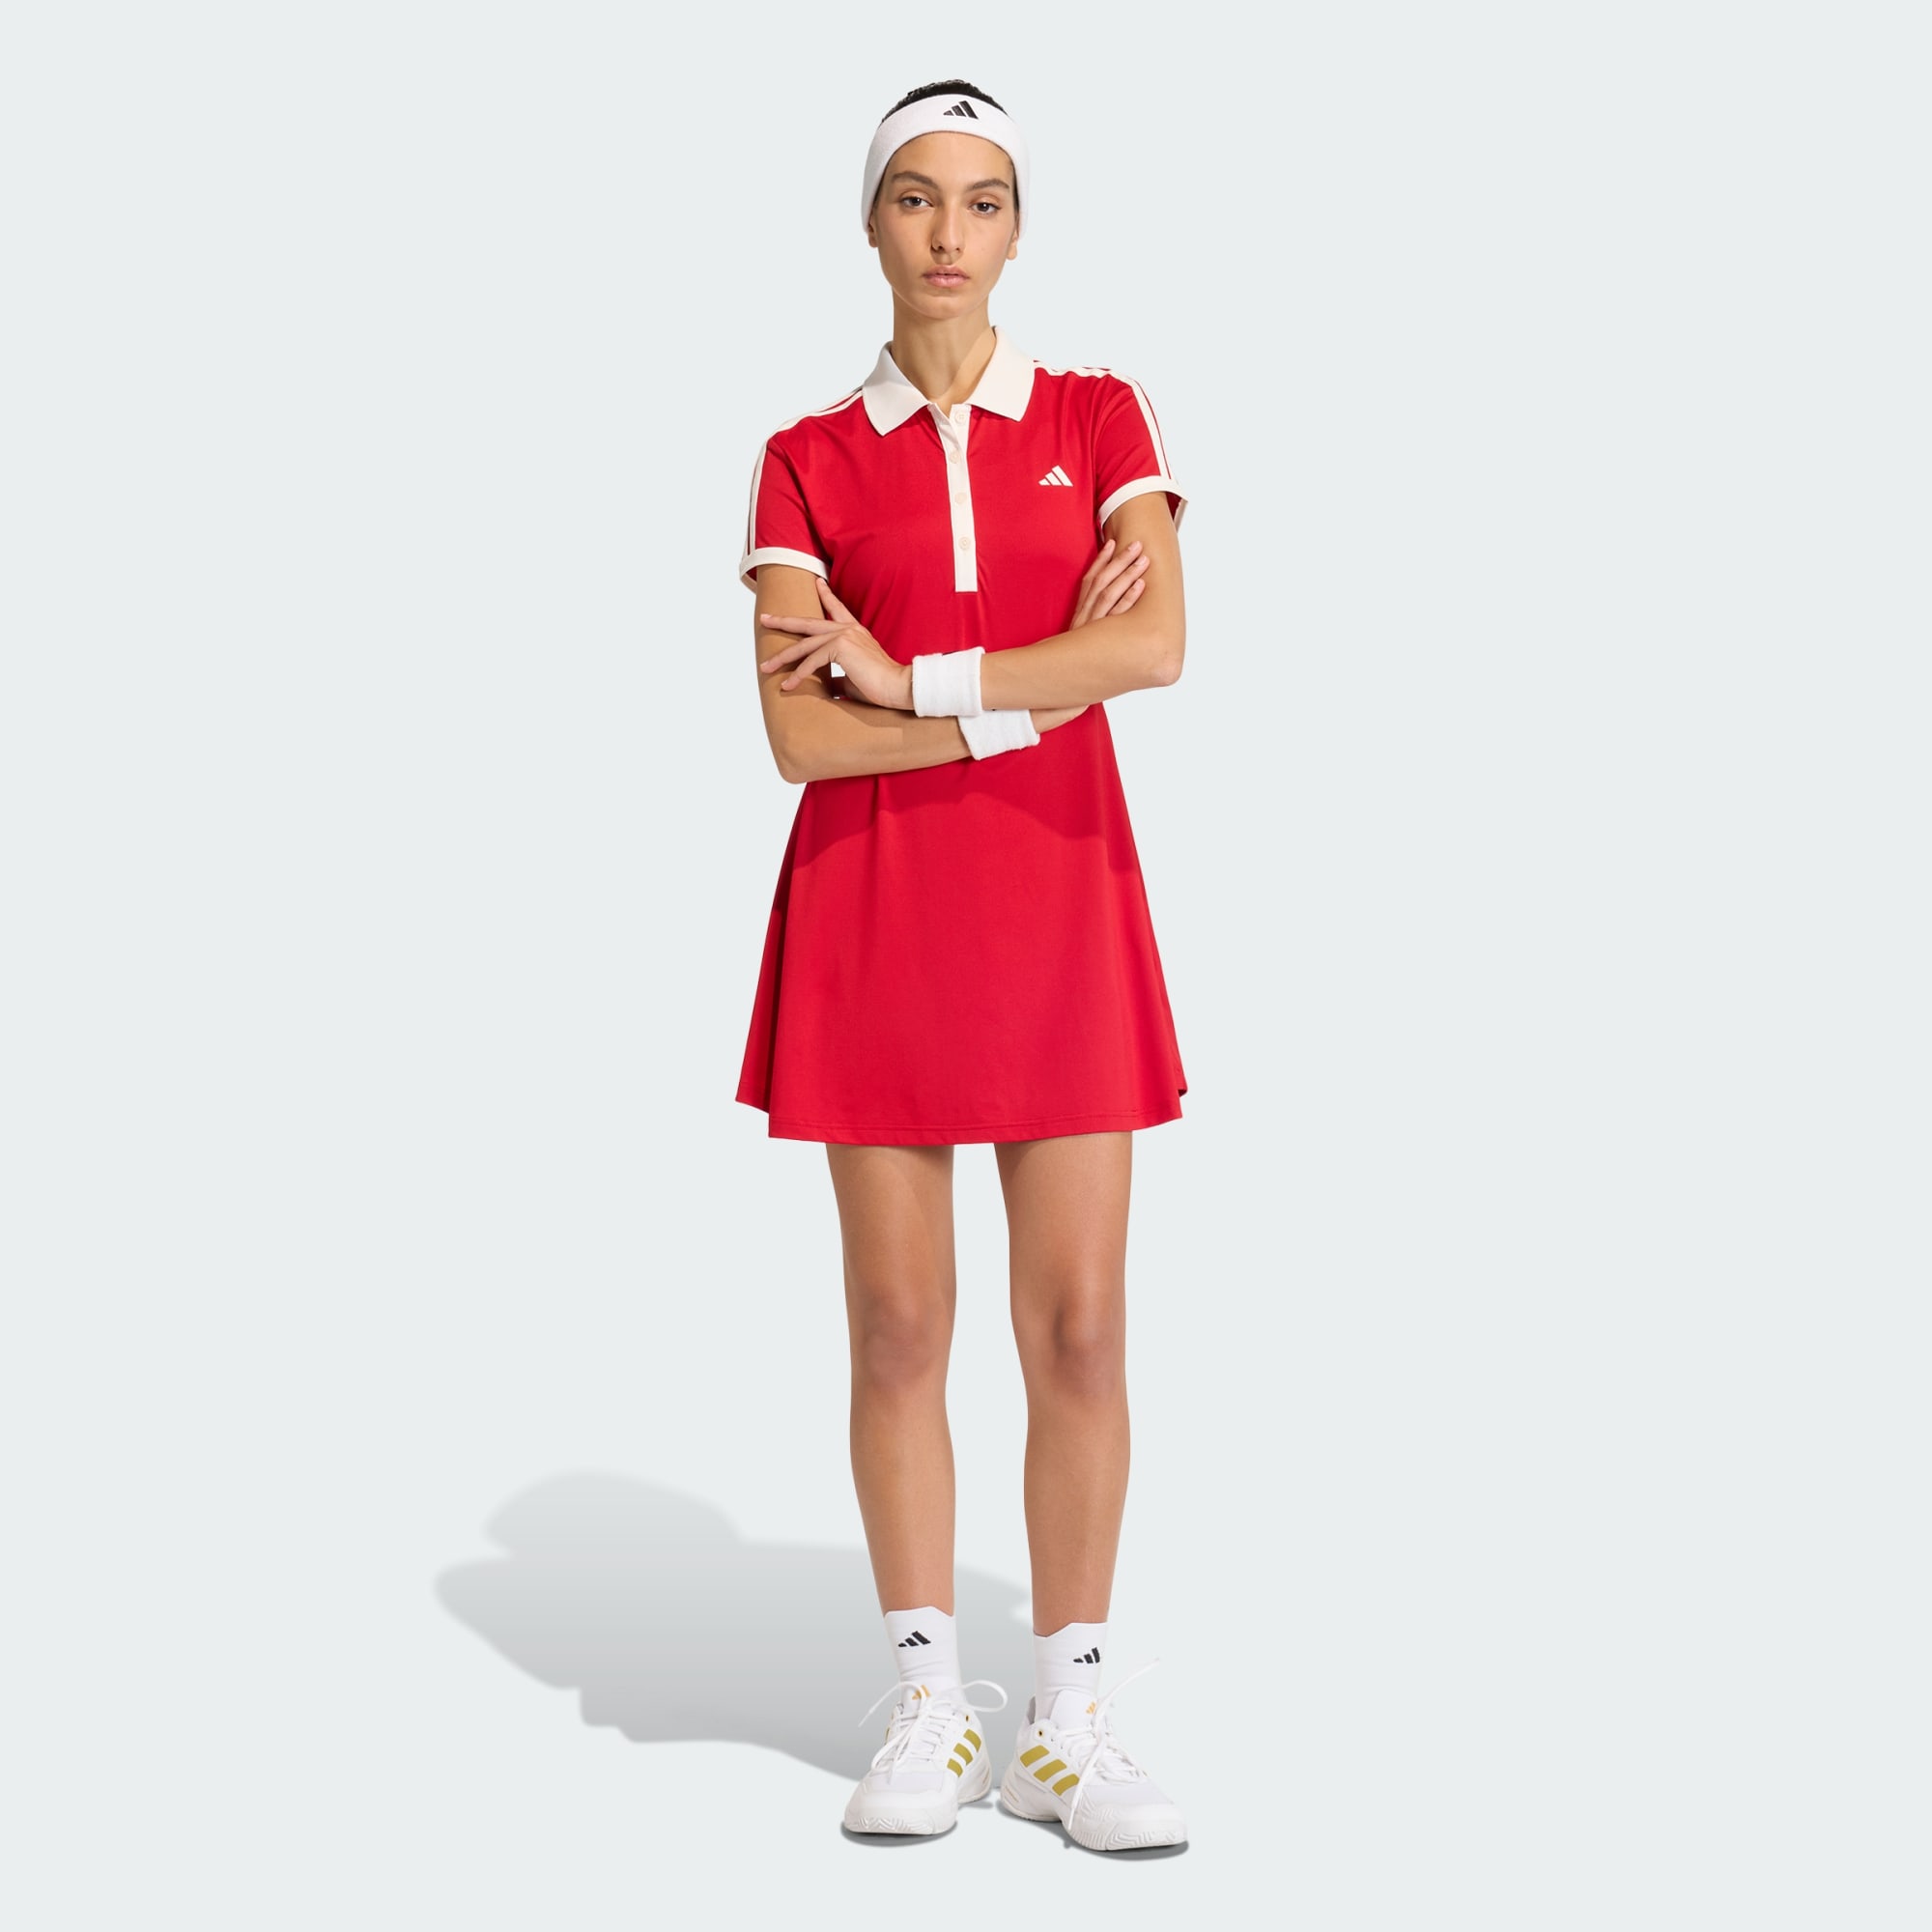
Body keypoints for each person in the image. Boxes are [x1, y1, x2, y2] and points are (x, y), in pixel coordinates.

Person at [735, 78, 1190, 1853]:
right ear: (871, 224)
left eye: (982, 200)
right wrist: (1021, 695)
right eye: (915, 198)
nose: (947, 232)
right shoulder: (805, 456)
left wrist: (913, 681)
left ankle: (1070, 1715)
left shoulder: (1096, 413)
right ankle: (932, 1701)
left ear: (1016, 230)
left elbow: (1151, 647)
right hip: (878, 908)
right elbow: (799, 741)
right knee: (899, 1324)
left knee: (1079, 1322)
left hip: (1061, 905)